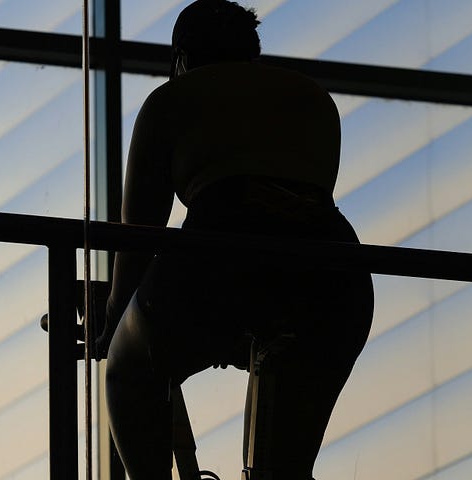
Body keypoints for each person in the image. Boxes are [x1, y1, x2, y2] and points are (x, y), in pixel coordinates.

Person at [98, 1, 374, 478]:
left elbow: (139, 236)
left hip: (217, 249)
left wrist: (113, 325)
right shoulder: (312, 97)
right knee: (281, 467)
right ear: (254, 52)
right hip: (333, 271)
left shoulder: (171, 99)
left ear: (180, 58)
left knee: (128, 373)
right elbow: (298, 204)